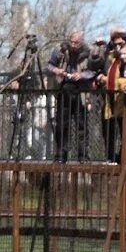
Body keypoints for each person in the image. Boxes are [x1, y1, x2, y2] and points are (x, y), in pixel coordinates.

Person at [47, 31, 93, 163]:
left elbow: (93, 71)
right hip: (64, 88)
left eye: (76, 42)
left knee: (81, 125)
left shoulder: (87, 53)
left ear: (81, 42)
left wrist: (82, 75)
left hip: (80, 91)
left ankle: (83, 156)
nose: (73, 45)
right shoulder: (60, 50)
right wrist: (57, 71)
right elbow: (49, 65)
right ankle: (61, 154)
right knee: (62, 124)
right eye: (72, 41)